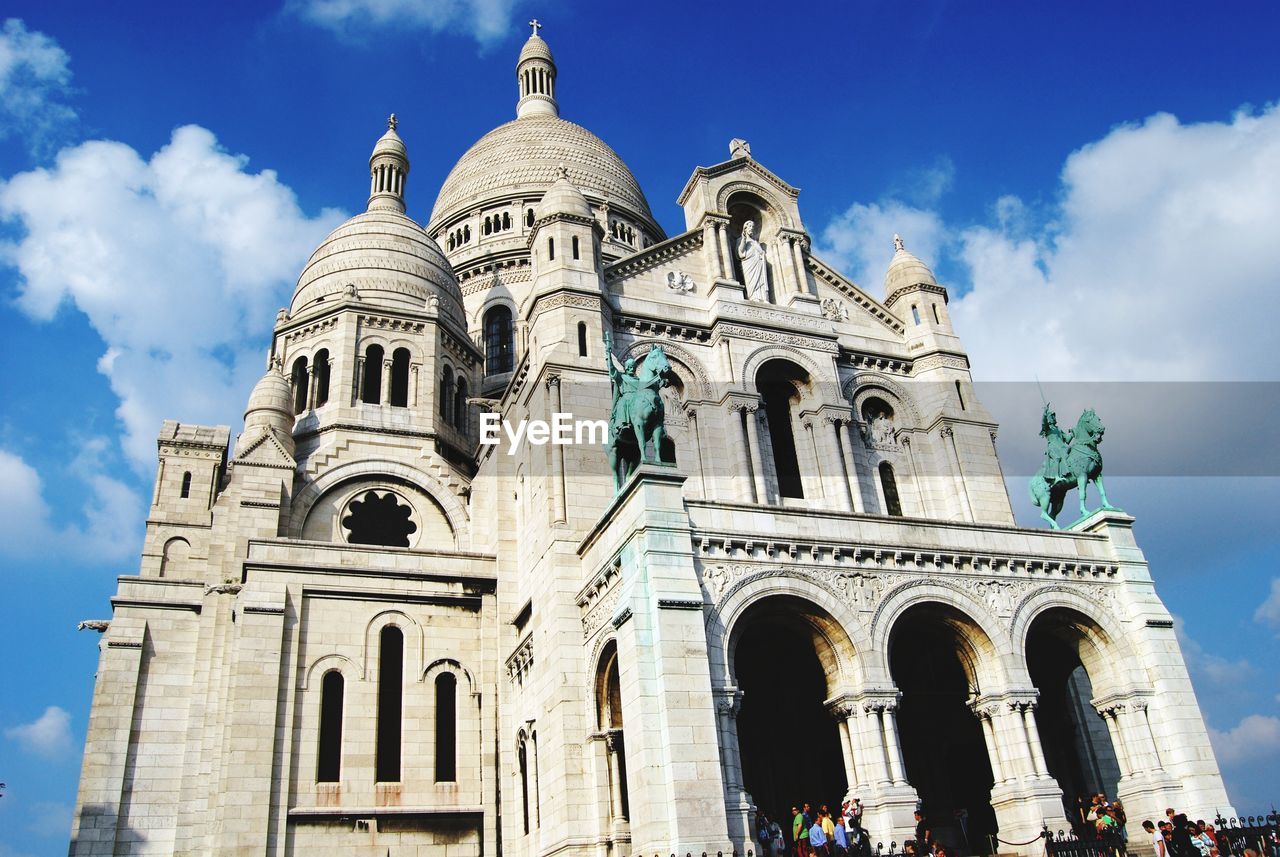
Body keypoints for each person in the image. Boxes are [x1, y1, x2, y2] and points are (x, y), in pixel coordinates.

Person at [736, 220, 769, 301]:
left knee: (760, 281)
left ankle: (763, 298)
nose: (751, 229)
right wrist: (743, 239)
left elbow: (761, 253)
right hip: (748, 264)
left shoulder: (756, 242)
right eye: (750, 227)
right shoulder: (740, 239)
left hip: (758, 264)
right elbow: (740, 252)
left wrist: (762, 254)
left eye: (753, 227)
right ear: (745, 229)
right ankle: (753, 297)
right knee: (751, 282)